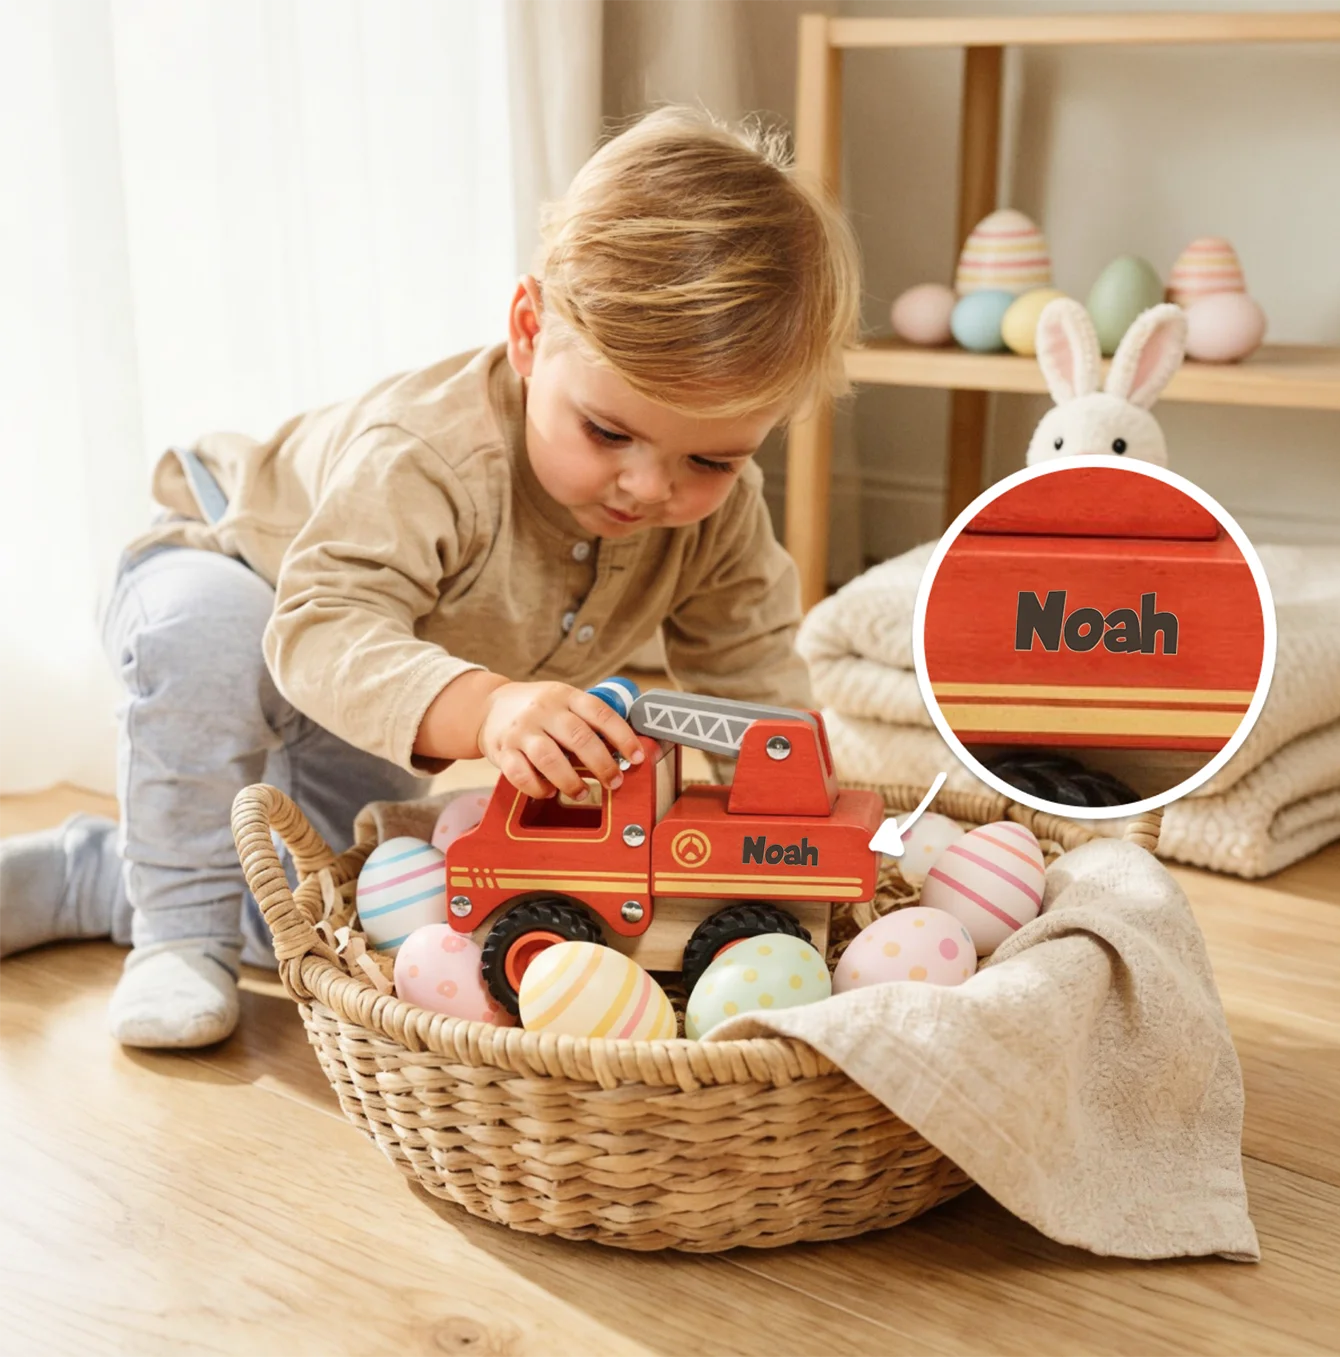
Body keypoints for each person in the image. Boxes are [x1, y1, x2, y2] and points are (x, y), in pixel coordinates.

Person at [0, 106, 860, 1048]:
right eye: (608, 432)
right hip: (237, 566)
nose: (649, 486)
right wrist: (490, 708)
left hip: (377, 672)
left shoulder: (720, 518)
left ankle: (98, 878)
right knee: (206, 635)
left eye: (711, 460)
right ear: (529, 332)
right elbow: (322, 624)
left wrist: (797, 821)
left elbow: (752, 679)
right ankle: (176, 934)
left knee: (357, 900)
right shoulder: (433, 453)